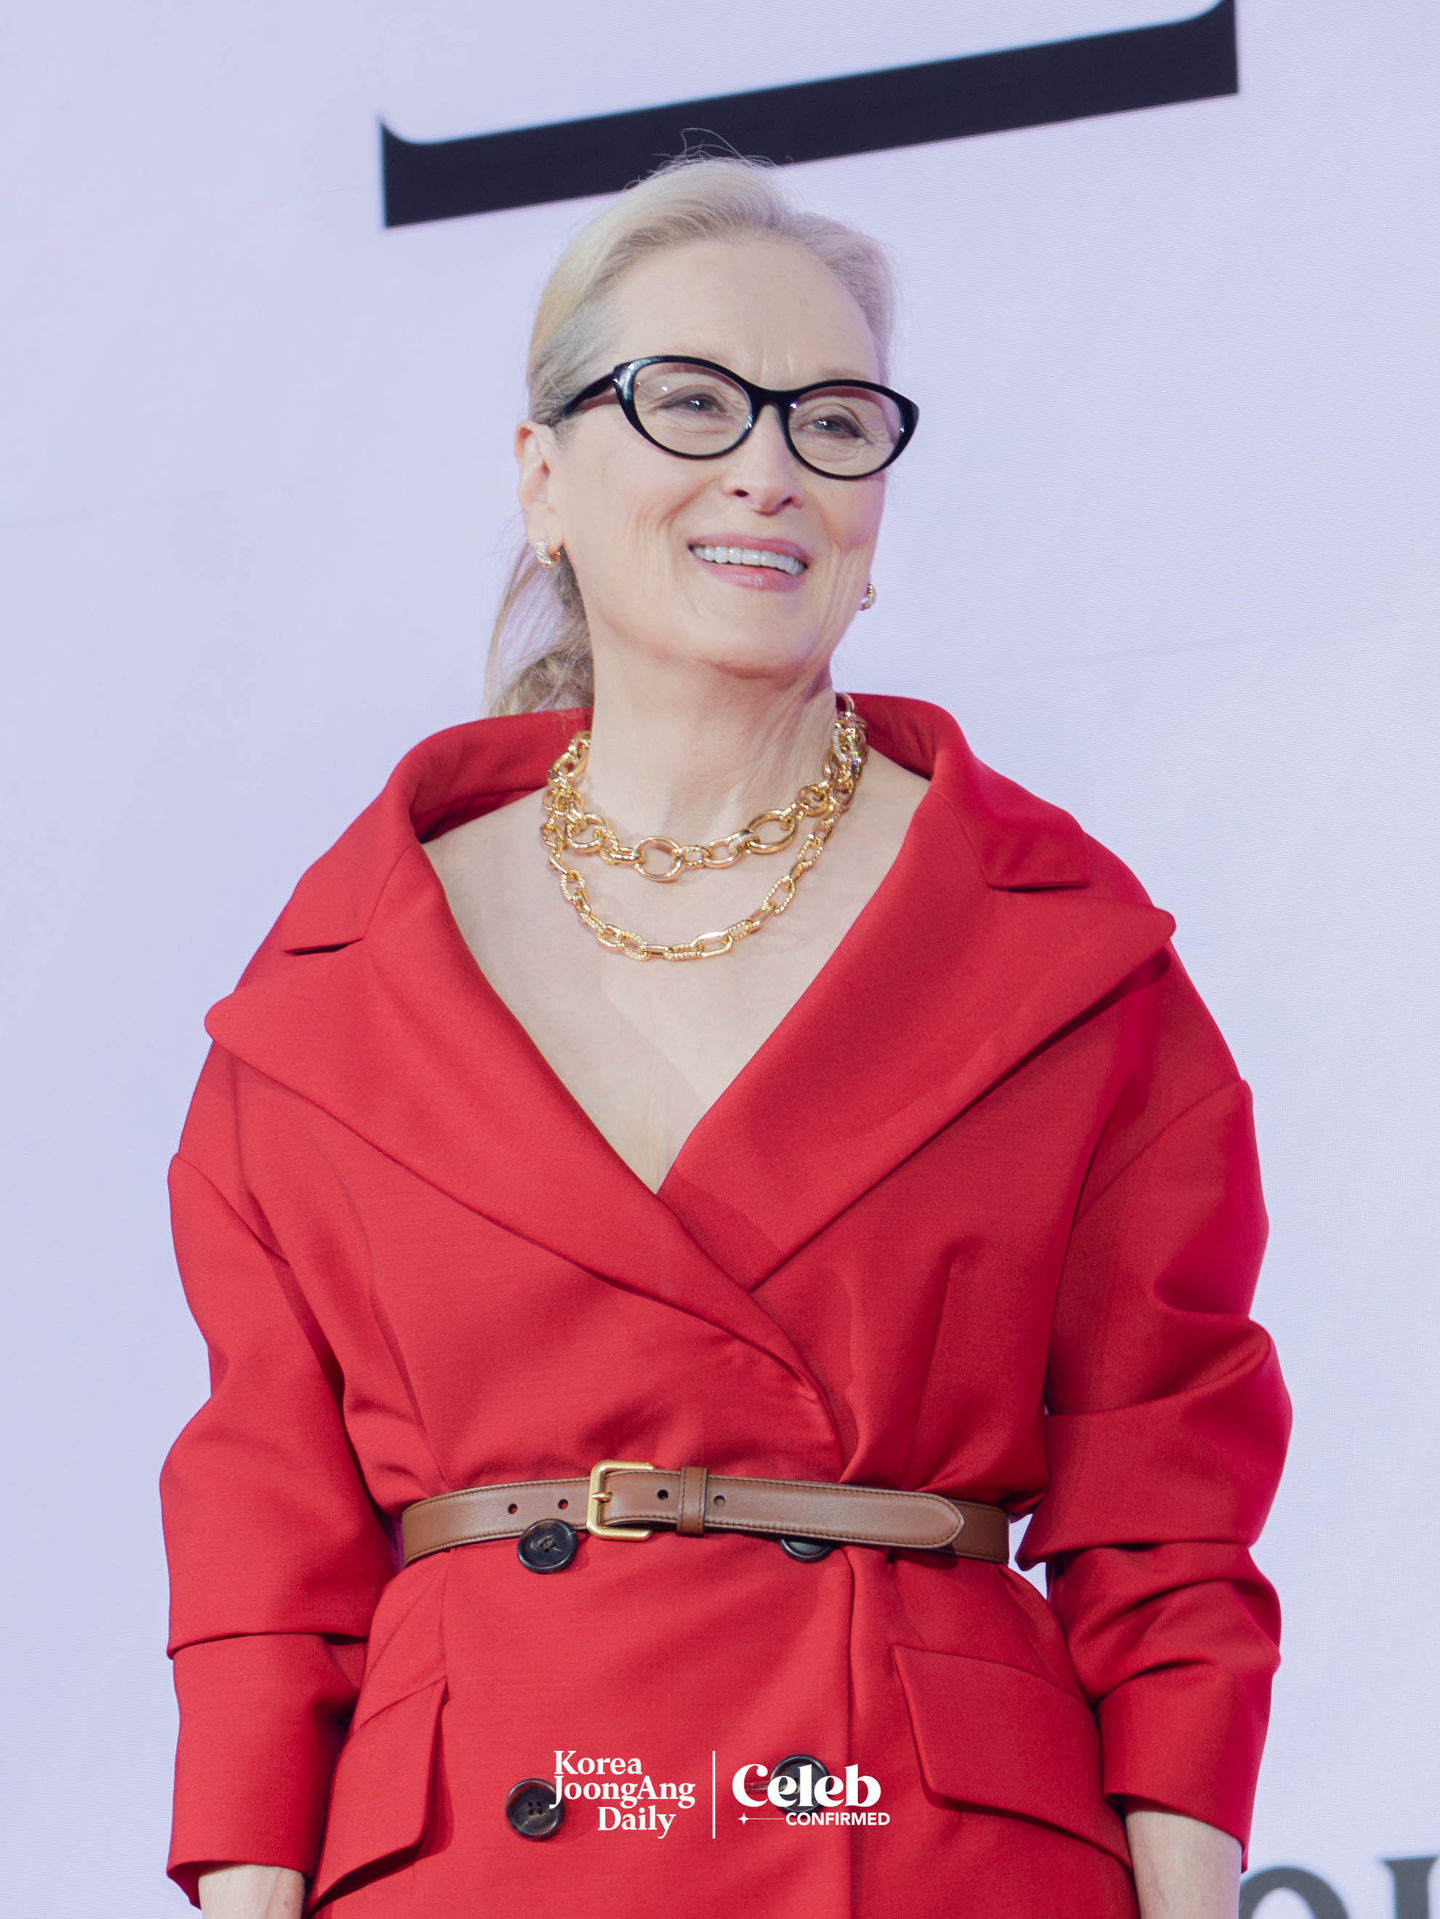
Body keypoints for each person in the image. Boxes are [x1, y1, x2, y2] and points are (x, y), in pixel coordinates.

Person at [161, 157, 1289, 1919]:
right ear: (542, 478)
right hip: (477, 1861)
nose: (768, 466)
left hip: (927, 1858)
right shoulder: (332, 994)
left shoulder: (1068, 962)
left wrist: (1191, 1886)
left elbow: (1166, 1514)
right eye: (690, 401)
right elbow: (267, 1533)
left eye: (835, 421)